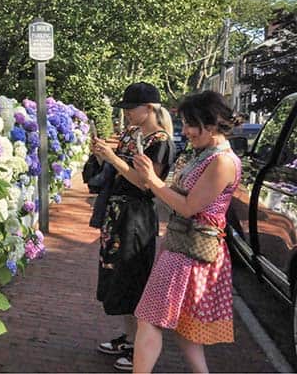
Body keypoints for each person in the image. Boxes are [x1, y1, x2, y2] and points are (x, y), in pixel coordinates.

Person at [131, 91, 241, 373]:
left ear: (212, 123)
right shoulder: (207, 155)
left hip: (190, 252)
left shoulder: (222, 162)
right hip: (185, 247)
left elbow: (189, 206)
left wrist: (152, 180)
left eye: (191, 124)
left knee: (150, 318)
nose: (186, 131)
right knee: (184, 328)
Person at [91, 82, 175, 371]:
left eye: (130, 108)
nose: (126, 113)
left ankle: (139, 342)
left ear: (149, 108)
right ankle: (129, 338)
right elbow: (117, 169)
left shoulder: (160, 141)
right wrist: (103, 156)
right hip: (116, 212)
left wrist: (113, 159)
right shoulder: (131, 134)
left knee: (133, 275)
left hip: (137, 215)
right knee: (116, 275)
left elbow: (145, 183)